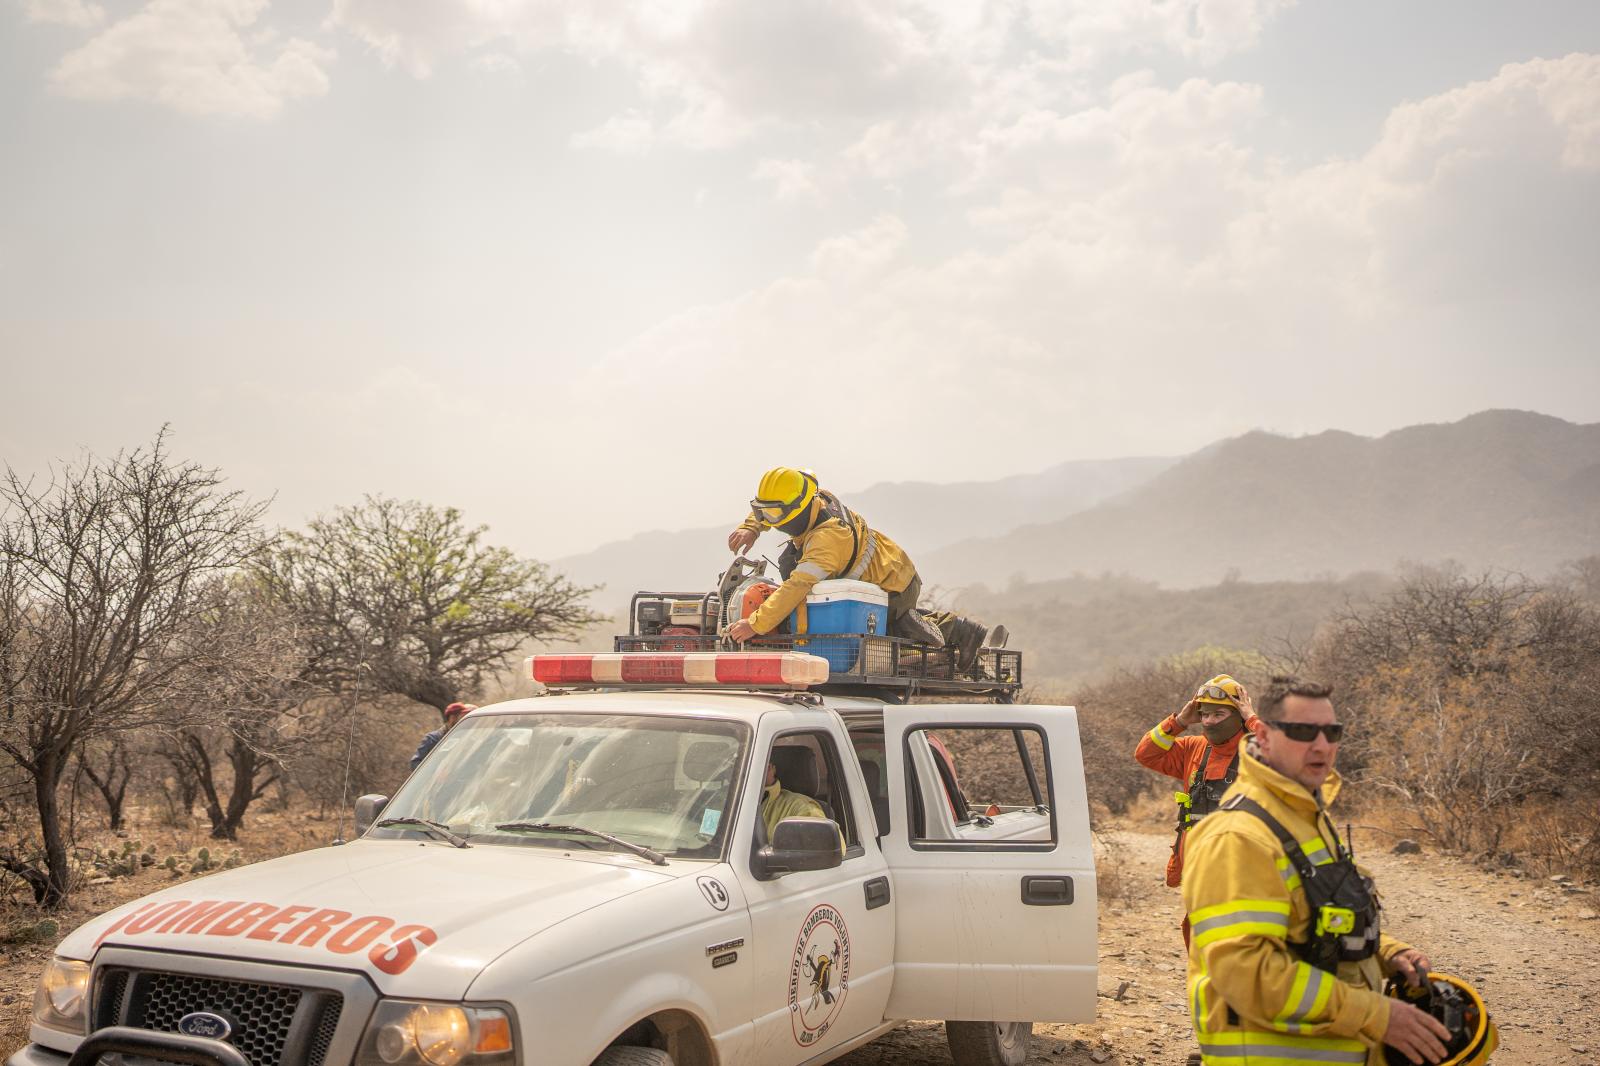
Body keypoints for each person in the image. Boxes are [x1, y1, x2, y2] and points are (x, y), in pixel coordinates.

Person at [1180, 676, 1454, 1066]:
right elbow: (1248, 975)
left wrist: (1387, 953)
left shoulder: (1304, 816)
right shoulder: (1237, 836)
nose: (1322, 745)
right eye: (1304, 731)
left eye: (1332, 731)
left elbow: (1318, 922)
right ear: (1265, 736)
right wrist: (1376, 1016)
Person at [724, 467, 1004, 672]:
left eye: (773, 516)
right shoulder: (813, 495)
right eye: (763, 512)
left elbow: (797, 586)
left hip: (895, 582)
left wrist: (757, 624)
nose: (770, 521)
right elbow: (773, 505)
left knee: (878, 631)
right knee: (790, 564)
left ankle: (959, 630)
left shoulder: (827, 540)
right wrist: (752, 526)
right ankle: (924, 624)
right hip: (881, 568)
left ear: (801, 507)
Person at [1134, 675, 1262, 909]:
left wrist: (1252, 719)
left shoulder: (1256, 750)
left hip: (1243, 871)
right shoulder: (1194, 748)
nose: (1210, 721)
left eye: (1219, 714)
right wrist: (1179, 721)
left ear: (1238, 717)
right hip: (1199, 866)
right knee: (1196, 934)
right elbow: (1146, 754)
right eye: (1204, 714)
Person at [410, 701, 475, 770]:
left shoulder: (466, 738)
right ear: (452, 718)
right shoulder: (432, 739)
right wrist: (432, 774)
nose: (463, 719)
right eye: (461, 716)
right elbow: (415, 763)